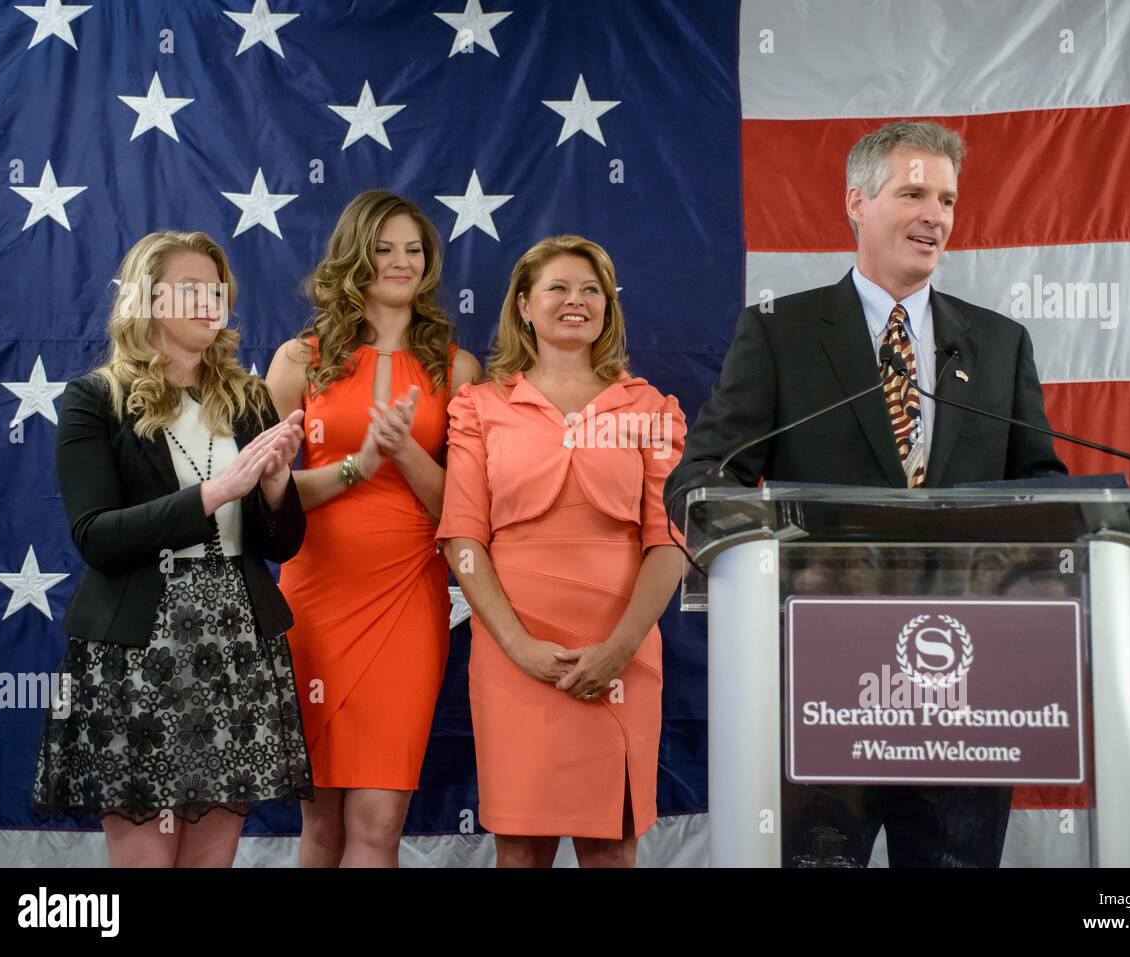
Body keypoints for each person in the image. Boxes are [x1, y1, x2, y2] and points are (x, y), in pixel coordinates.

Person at [664, 120, 1068, 868]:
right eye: (913, 191)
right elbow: (702, 477)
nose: (935, 215)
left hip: (967, 687)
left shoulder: (999, 341)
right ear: (857, 200)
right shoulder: (780, 333)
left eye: (946, 198)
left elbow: (1039, 482)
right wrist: (751, 532)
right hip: (820, 686)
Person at [33, 230, 311, 867]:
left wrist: (273, 489)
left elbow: (284, 544)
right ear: (148, 300)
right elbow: (96, 538)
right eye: (191, 289)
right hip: (137, 655)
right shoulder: (93, 400)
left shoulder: (248, 399)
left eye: (218, 291)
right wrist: (215, 494)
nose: (209, 302)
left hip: (236, 647)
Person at [438, 235, 685, 868]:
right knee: (519, 851)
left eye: (591, 291)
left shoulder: (652, 409)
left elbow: (670, 542)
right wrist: (518, 647)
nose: (575, 301)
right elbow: (463, 540)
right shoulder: (479, 406)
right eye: (558, 288)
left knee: (610, 849)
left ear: (609, 307)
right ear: (523, 305)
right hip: (512, 655)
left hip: (620, 654)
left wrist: (619, 649)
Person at [266, 191, 481, 867]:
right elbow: (256, 488)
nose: (401, 261)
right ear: (356, 255)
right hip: (314, 596)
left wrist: (407, 453)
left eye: (413, 249)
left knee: (379, 823)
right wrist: (357, 468)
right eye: (384, 247)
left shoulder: (459, 368)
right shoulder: (298, 359)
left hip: (408, 601)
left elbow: (466, 506)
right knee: (321, 823)